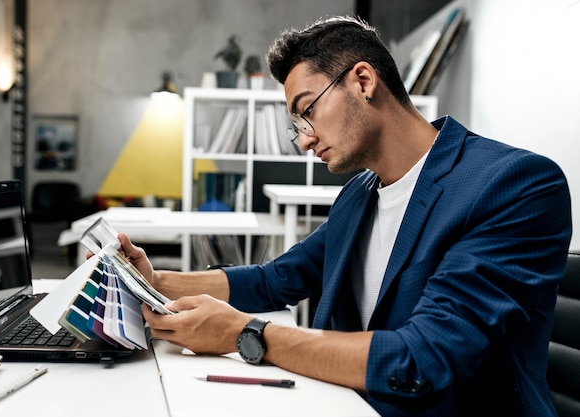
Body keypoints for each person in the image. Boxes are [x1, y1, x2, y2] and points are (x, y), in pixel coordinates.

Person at [119, 16, 572, 417]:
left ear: (362, 80)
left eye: (307, 111)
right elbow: (276, 278)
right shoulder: (359, 194)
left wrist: (245, 333)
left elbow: (424, 358)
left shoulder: (514, 184)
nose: (304, 140)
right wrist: (156, 282)